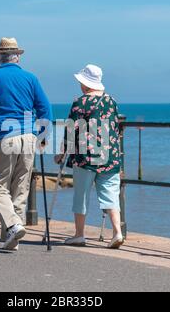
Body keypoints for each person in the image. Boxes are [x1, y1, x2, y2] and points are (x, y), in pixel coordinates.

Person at [0, 38, 52, 251]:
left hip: (3, 135)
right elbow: (44, 107)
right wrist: (43, 136)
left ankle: (13, 226)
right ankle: (11, 235)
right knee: (20, 185)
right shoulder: (30, 78)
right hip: (28, 136)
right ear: (18, 56)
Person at [55, 64, 124, 249]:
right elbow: (116, 128)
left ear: (85, 84)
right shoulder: (112, 101)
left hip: (85, 156)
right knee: (110, 194)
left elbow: (71, 130)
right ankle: (117, 232)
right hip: (110, 155)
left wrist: (61, 153)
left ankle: (79, 235)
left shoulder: (80, 102)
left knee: (81, 195)